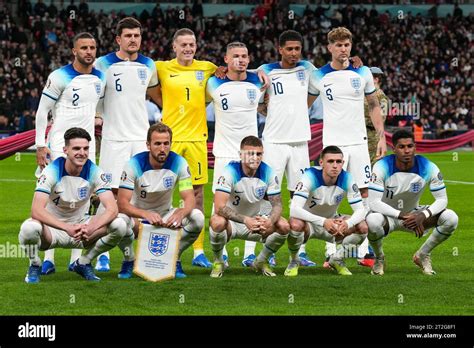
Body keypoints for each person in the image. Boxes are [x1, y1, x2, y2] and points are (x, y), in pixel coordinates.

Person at [244, 30, 363, 268]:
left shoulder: (308, 69)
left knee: (302, 196)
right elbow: (252, 94)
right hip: (274, 142)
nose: (294, 53)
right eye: (289, 49)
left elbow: (334, 69)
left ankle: (301, 252)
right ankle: (255, 249)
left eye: (297, 49)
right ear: (280, 49)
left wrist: (354, 63)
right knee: (267, 195)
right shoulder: (265, 70)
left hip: (300, 142)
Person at [155, 28, 268, 269]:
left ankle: (197, 251)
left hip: (197, 139)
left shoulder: (207, 69)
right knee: (161, 194)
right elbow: (148, 86)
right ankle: (154, 252)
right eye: (183, 44)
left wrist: (257, 71)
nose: (188, 48)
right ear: (174, 47)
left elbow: (235, 68)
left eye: (192, 44)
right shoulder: (161, 68)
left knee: (197, 196)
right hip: (170, 139)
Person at [310, 27, 386, 268]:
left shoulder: (362, 72)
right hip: (334, 145)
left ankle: (361, 252)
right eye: (338, 45)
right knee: (331, 197)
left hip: (360, 144)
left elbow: (374, 105)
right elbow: (304, 104)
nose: (343, 49)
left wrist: (382, 138)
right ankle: (328, 250)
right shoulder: (318, 75)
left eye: (347, 45)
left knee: (365, 195)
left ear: (351, 46)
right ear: (329, 48)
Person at [35, 32, 106, 276]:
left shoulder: (100, 77)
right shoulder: (58, 76)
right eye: (84, 47)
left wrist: (99, 117)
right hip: (58, 145)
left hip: (87, 147)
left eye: (92, 47)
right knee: (54, 196)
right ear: (74, 51)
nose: (89, 51)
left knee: (85, 198)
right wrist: (40, 145)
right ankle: (48, 257)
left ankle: (77, 258)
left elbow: (99, 107)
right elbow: (42, 112)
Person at [20, 127, 130, 283]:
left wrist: (92, 227)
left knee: (120, 224)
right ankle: (35, 264)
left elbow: (112, 208)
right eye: (76, 148)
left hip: (82, 230)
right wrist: (66, 228)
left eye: (86, 148)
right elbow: (36, 211)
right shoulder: (51, 171)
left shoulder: (95, 171)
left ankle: (84, 262)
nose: (82, 153)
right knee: (28, 228)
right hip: (52, 231)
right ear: (65, 150)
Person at [94, 17, 160, 272]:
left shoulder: (149, 65)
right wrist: (97, 115)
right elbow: (95, 93)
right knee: (107, 196)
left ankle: (137, 255)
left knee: (142, 198)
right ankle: (102, 255)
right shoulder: (103, 63)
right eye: (128, 36)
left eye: (137, 36)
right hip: (113, 139)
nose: (133, 40)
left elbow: (155, 94)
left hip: (140, 139)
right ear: (118, 39)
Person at [116, 123, 204, 279]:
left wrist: (181, 213)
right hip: (138, 217)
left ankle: (174, 258)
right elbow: (122, 203)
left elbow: (189, 197)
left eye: (166, 143)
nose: (162, 148)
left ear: (170, 144)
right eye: (157, 143)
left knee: (197, 217)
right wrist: (144, 214)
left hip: (165, 215)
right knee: (119, 222)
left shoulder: (179, 163)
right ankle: (129, 260)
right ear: (148, 145)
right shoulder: (133, 164)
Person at [366, 130, 458, 276]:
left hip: (415, 216)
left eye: (410, 146)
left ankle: (422, 254)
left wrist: (423, 214)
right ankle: (379, 258)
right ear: (394, 148)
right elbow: (374, 203)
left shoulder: (428, 167)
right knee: (372, 220)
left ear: (415, 147)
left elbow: (442, 200)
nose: (406, 150)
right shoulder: (381, 166)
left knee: (451, 218)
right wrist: (402, 215)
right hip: (388, 217)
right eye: (401, 147)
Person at [206, 41, 264, 266]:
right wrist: (214, 69)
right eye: (236, 56)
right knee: (219, 203)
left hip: (251, 154)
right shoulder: (213, 83)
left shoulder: (258, 81)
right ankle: (221, 255)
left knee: (253, 200)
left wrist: (259, 71)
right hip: (223, 153)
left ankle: (250, 253)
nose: (241, 59)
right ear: (226, 59)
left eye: (245, 56)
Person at [209, 136, 289, 278]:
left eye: (258, 154)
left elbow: (277, 205)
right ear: (241, 155)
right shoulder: (229, 172)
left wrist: (269, 221)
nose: (255, 158)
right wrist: (246, 220)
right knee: (216, 221)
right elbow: (219, 207)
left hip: (256, 223)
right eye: (250, 153)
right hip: (232, 223)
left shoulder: (268, 172)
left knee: (283, 225)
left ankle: (261, 261)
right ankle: (218, 261)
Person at [285, 146, 368, 276]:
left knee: (362, 227)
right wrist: (323, 222)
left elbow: (361, 210)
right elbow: (294, 210)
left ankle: (337, 259)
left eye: (338, 162)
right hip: (309, 224)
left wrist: (348, 223)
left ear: (343, 164)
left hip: (333, 224)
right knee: (295, 224)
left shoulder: (347, 178)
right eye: (330, 161)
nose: (335, 166)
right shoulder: (310, 176)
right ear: (321, 163)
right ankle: (294, 261)